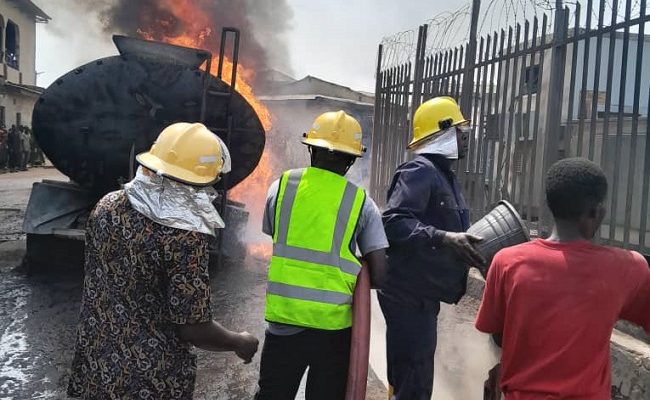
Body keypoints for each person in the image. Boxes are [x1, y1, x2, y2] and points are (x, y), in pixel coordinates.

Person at [68, 122, 259, 399]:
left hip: (95, 364)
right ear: (200, 181)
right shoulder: (184, 237)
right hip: (150, 381)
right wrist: (238, 341)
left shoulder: (107, 204)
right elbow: (194, 327)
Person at [475, 157, 650, 399]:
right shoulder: (627, 267)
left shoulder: (507, 262)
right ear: (596, 212)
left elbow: (493, 329)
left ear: (548, 204)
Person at [255, 111, 388, 400]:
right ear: (351, 160)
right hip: (332, 330)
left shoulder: (281, 187)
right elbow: (379, 274)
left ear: (311, 149)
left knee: (273, 395)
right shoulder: (361, 203)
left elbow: (273, 233)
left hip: (283, 321)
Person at [379, 96, 486, 400]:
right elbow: (394, 221)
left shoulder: (444, 176)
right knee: (414, 383)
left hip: (421, 295)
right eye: (460, 132)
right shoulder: (420, 171)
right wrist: (444, 237)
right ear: (443, 133)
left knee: (413, 377)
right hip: (407, 296)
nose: (466, 139)